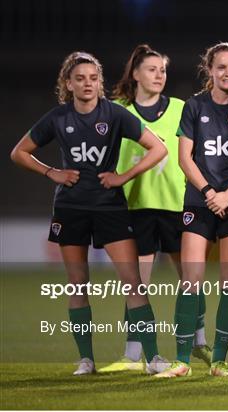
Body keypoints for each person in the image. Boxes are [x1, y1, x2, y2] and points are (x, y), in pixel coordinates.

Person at [10, 51, 171, 375]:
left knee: (134, 283)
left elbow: (159, 147)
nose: (87, 83)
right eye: (80, 78)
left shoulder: (114, 114)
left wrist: (123, 177)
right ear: (68, 83)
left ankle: (153, 358)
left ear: (100, 83)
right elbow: (19, 153)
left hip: (109, 207)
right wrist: (52, 172)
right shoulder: (58, 117)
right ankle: (86, 360)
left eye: (93, 78)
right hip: (70, 208)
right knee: (77, 284)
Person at [154, 42, 228, 378]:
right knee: (191, 280)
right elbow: (184, 157)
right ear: (210, 70)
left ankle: (219, 360)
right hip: (199, 203)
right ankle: (182, 361)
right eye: (221, 67)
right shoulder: (194, 106)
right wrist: (208, 192)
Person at [98, 44, 211, 373]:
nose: (159, 75)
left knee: (190, 279)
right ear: (135, 74)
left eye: (162, 70)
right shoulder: (117, 110)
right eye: (151, 69)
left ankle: (199, 342)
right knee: (137, 282)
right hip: (135, 206)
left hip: (179, 204)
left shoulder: (181, 108)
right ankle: (133, 355)